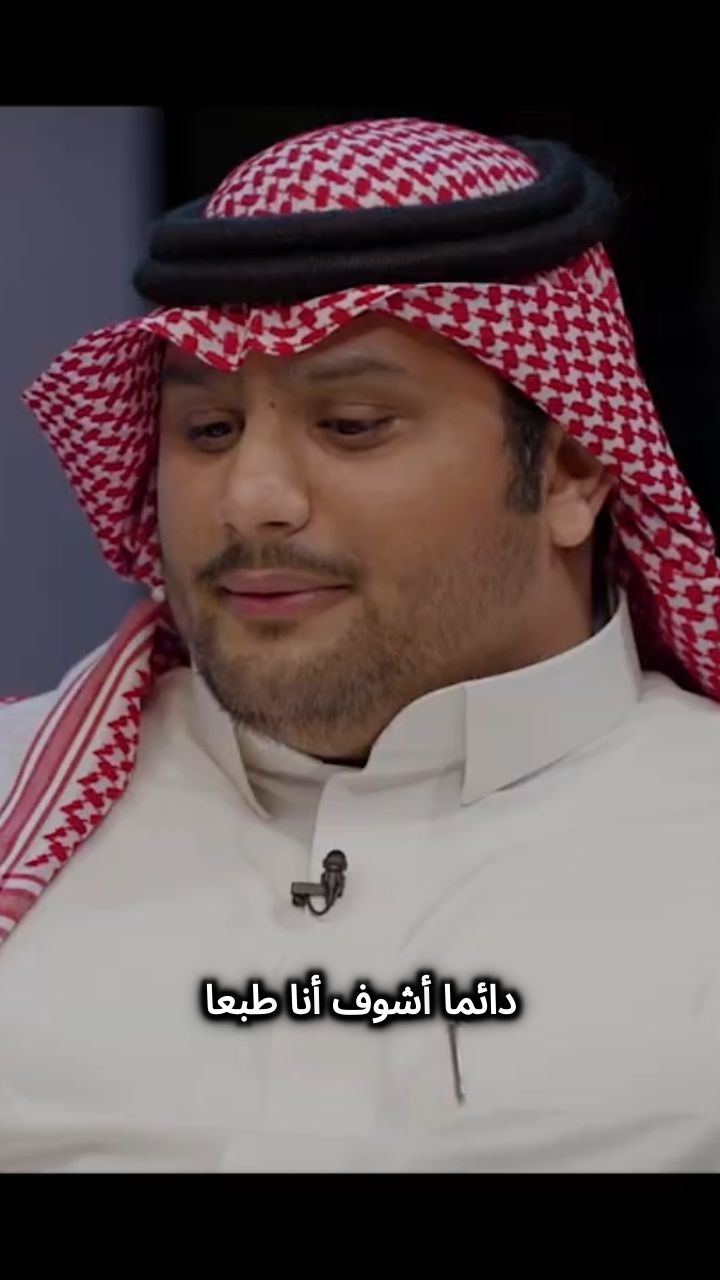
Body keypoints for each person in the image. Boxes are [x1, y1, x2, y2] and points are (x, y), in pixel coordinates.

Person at [2, 116, 720, 1174]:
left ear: (571, 470)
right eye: (209, 431)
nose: (251, 498)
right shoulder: (23, 800)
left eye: (351, 424)